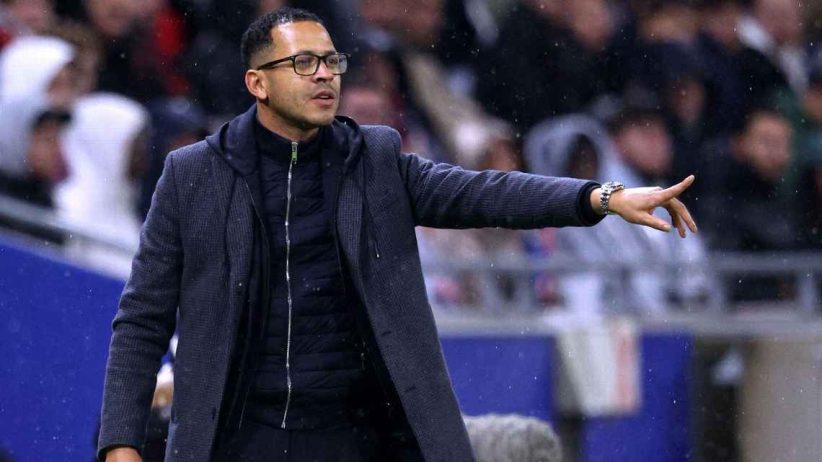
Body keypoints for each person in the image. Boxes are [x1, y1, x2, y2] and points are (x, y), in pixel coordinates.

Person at [97, 7, 697, 462]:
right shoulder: (193, 176)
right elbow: (143, 317)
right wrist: (121, 443)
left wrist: (599, 197)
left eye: (331, 61)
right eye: (303, 63)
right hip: (237, 438)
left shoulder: (375, 160)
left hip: (359, 436)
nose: (324, 75)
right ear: (257, 83)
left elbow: (484, 193)